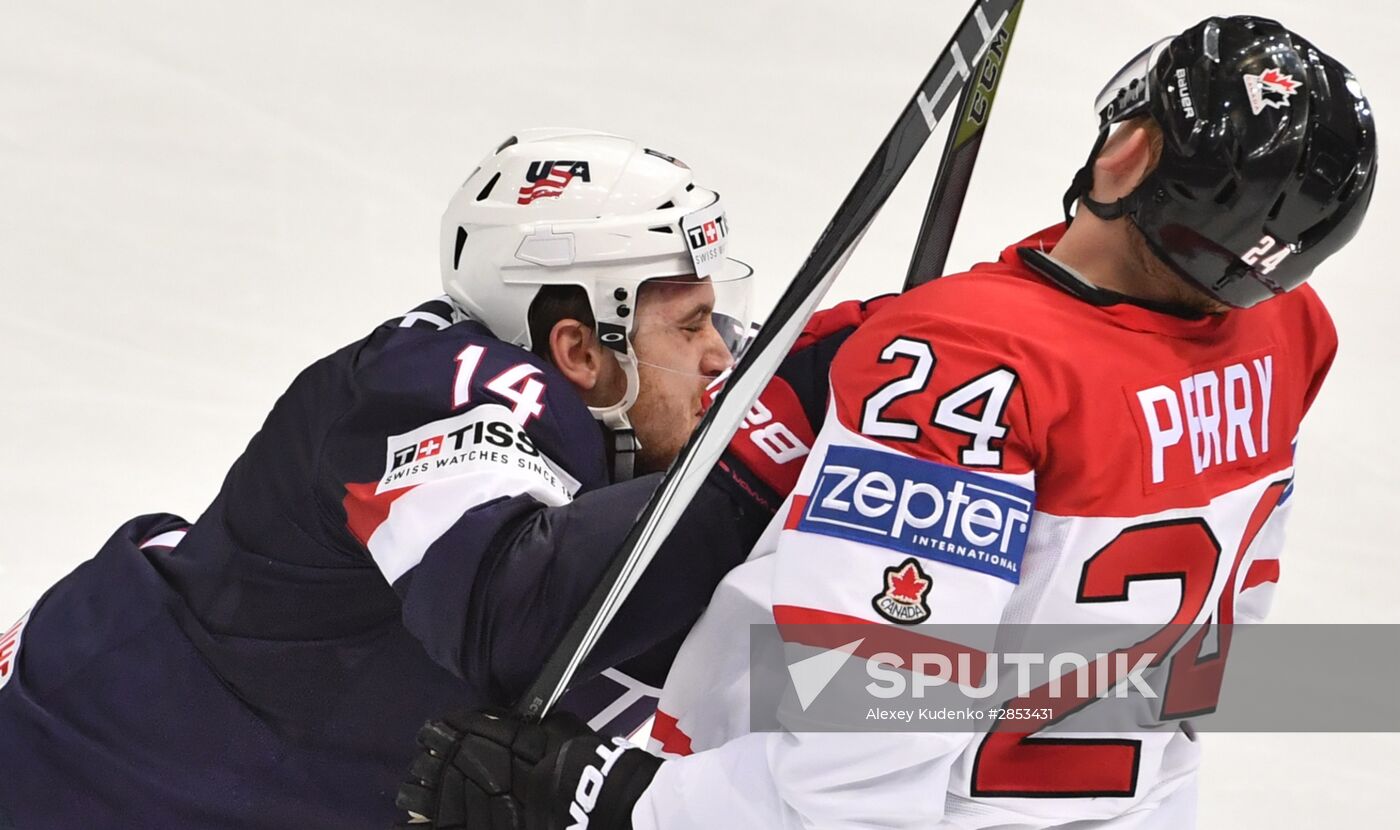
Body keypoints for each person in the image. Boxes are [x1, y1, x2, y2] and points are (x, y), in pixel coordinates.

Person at [397, 16, 1377, 830]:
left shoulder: (955, 370)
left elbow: (859, 767)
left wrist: (614, 801)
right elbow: (1202, 654)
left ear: (1128, 154)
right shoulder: (1285, 336)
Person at [0, 129, 776, 828]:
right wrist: (768, 457)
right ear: (577, 349)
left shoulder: (654, 496)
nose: (722, 357)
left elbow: (803, 683)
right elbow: (506, 608)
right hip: (65, 764)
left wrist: (891, 615)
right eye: (690, 324)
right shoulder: (427, 383)